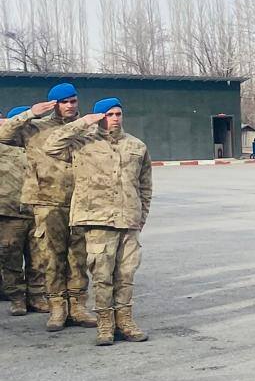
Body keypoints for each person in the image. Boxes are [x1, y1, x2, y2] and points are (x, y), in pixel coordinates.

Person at [43, 98, 153, 345]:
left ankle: (125, 321)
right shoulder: (82, 143)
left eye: (118, 114)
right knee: (102, 275)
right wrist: (82, 123)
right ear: (99, 116)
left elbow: (145, 185)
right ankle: (105, 324)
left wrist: (141, 216)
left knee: (126, 274)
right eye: (109, 114)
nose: (114, 118)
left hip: (128, 220)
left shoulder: (136, 145)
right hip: (97, 219)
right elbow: (50, 145)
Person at [0, 83, 95, 331]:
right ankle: (56, 307)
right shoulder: (34, 129)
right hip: (47, 202)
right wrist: (30, 113)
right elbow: (3, 134)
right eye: (65, 102)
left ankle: (77, 306)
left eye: (73, 101)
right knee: (51, 258)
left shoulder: (87, 129)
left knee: (78, 257)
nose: (70, 106)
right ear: (54, 104)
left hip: (79, 202)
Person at [1, 106, 40, 317]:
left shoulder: (38, 148)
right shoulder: (2, 147)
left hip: (35, 210)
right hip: (10, 212)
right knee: (10, 256)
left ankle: (36, 296)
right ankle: (17, 298)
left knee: (38, 257)